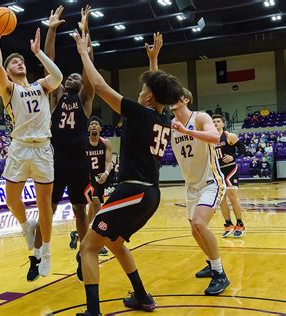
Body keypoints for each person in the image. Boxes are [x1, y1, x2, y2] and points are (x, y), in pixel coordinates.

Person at [72, 31, 184, 315]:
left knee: (87, 247)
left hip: (132, 191)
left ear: (148, 97)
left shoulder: (139, 112)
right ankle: (143, 296)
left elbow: (98, 85)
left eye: (144, 88)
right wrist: (154, 60)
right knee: (115, 243)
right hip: (150, 194)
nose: (141, 91)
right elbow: (159, 90)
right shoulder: (163, 117)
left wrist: (84, 52)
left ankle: (93, 312)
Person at [0, 18, 63, 278]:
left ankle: (46, 254)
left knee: (45, 205)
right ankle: (25, 226)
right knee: (11, 199)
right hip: (19, 148)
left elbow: (58, 76)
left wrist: (38, 53)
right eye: (13, 63)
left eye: (20, 61)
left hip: (42, 148)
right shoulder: (8, 89)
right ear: (9, 72)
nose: (18, 63)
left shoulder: (41, 86)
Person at [28, 5, 95, 282]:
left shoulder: (86, 99)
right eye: (69, 76)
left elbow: (89, 69)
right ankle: (36, 256)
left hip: (78, 161)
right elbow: (49, 61)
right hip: (54, 161)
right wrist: (52, 29)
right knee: (48, 209)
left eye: (76, 77)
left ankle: (83, 253)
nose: (72, 77)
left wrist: (85, 33)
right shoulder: (54, 97)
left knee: (80, 209)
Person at [171, 89, 230, 296]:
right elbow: (157, 88)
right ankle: (212, 263)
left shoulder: (200, 117)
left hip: (210, 182)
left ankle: (220, 273)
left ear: (186, 99)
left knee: (199, 223)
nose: (171, 100)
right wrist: (152, 61)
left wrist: (187, 132)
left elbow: (214, 137)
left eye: (176, 96)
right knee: (194, 231)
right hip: (191, 186)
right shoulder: (170, 125)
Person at [212, 114, 246, 238]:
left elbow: (243, 148)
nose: (215, 123)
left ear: (223, 123)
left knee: (233, 197)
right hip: (218, 171)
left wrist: (234, 156)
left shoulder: (229, 136)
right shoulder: (210, 139)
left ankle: (240, 224)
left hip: (230, 169)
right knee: (221, 200)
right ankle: (228, 224)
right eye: (213, 121)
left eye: (218, 121)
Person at [85, 116, 113, 256]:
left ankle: (80, 234)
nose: (94, 126)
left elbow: (108, 161)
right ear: (88, 128)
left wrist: (106, 173)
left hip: (100, 178)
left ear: (100, 128)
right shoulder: (83, 143)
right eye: (92, 124)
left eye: (97, 124)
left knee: (93, 208)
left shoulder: (106, 143)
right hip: (86, 179)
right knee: (96, 205)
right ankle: (95, 242)